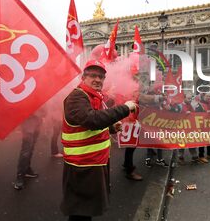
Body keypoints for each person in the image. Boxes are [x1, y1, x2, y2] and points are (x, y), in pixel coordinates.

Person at [60, 60, 137, 221]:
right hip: (80, 166)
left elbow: (89, 125)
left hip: (93, 163)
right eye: (93, 76)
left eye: (101, 77)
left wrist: (110, 128)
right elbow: (92, 119)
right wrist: (125, 108)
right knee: (80, 212)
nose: (98, 80)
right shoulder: (76, 97)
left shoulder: (92, 97)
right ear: (84, 77)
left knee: (86, 209)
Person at [14, 109, 45, 190]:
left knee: (31, 148)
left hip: (37, 121)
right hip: (28, 123)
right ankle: (20, 176)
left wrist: (43, 114)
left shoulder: (39, 96)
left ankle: (27, 169)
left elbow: (44, 107)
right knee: (26, 150)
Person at [195, 93, 210, 163]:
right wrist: (205, 113)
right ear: (204, 96)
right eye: (207, 96)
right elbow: (196, 114)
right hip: (203, 126)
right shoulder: (200, 104)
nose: (209, 97)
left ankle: (209, 154)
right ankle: (201, 156)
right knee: (202, 141)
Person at [177, 93, 200, 164]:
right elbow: (175, 116)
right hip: (182, 128)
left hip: (190, 128)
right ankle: (180, 158)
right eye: (188, 98)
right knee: (182, 144)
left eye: (191, 98)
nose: (190, 100)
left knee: (191, 142)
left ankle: (194, 157)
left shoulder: (190, 105)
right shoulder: (179, 106)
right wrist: (184, 114)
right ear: (184, 98)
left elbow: (194, 114)